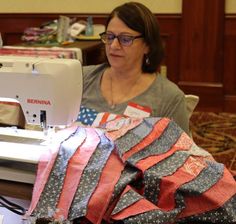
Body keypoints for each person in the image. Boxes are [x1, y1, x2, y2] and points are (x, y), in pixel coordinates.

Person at [78, 2, 189, 133]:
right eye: (110, 37)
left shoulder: (169, 98)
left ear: (147, 45)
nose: (114, 45)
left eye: (125, 39)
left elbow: (179, 152)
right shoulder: (80, 78)